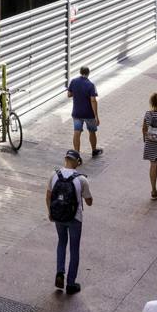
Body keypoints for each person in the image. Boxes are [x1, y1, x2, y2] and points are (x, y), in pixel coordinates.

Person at [47, 149, 93, 295]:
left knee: (61, 242)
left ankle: (60, 272)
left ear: (65, 159)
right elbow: (89, 201)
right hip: (75, 218)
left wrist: (50, 212)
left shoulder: (54, 175)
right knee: (74, 248)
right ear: (77, 162)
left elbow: (48, 196)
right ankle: (71, 283)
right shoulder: (81, 179)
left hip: (58, 216)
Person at [67, 66, 102, 158]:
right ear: (88, 73)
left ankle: (76, 154)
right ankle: (94, 150)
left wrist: (77, 93)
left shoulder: (73, 81)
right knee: (92, 131)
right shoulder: (91, 85)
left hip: (77, 113)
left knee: (77, 132)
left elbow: (69, 94)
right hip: (89, 114)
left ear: (80, 72)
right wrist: (96, 116)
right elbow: (93, 100)